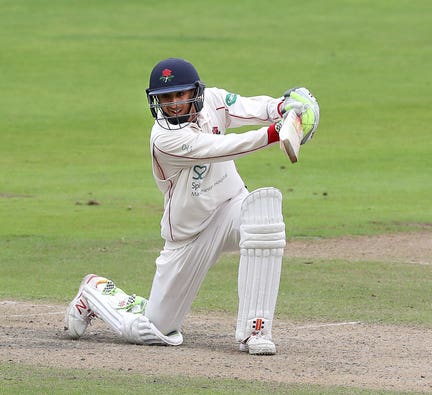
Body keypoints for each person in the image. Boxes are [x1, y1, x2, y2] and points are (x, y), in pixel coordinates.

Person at [64, 58, 319, 355]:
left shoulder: (213, 100)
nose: (173, 104)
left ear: (194, 92)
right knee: (154, 329)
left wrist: (286, 108)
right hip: (189, 235)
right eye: (166, 98)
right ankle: (96, 293)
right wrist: (278, 132)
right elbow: (221, 148)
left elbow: (252, 108)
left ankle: (255, 331)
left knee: (264, 212)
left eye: (180, 95)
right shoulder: (164, 139)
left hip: (230, 207)